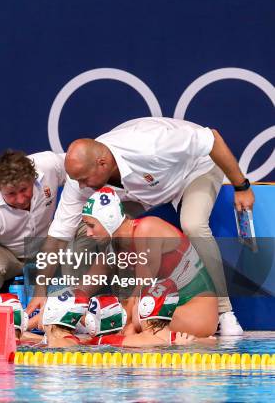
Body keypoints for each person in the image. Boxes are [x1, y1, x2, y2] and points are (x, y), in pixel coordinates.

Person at [30, 117, 251, 335]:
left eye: (84, 180)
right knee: (87, 234)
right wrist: (40, 291)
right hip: (145, 191)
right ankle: (85, 310)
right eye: (76, 180)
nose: (81, 186)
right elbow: (58, 237)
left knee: (193, 223)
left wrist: (241, 187)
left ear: (103, 164)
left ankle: (224, 313)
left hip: (194, 170)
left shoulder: (149, 145)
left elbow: (212, 138)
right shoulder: (82, 178)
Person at [79, 188, 219, 337]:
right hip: (159, 312)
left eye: (91, 225)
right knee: (112, 314)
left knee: (138, 314)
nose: (88, 233)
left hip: (197, 311)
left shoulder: (147, 230)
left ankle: (201, 341)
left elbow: (141, 292)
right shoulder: (112, 249)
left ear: (110, 220)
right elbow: (81, 291)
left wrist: (112, 325)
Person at [0, 150, 66, 337]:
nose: (21, 199)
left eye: (24, 190)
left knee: (82, 231)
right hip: (7, 254)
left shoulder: (50, 165)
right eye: (11, 194)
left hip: (46, 246)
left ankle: (87, 316)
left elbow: (83, 171)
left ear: (33, 178)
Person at [87, 280, 214, 347]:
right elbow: (211, 342)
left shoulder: (132, 341)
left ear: (145, 307)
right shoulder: (181, 339)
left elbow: (95, 342)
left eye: (136, 303)